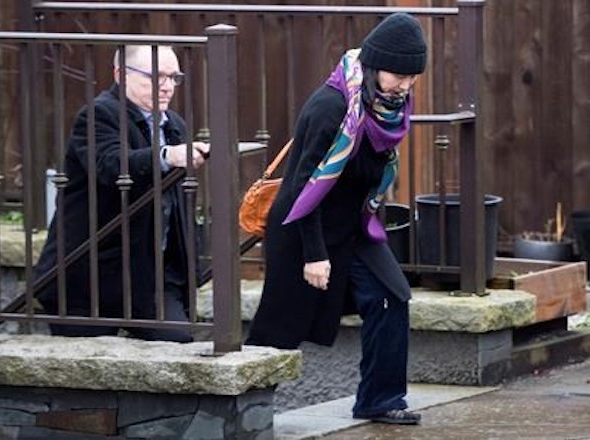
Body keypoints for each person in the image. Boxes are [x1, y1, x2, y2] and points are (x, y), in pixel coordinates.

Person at [246, 13, 427, 425]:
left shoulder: (385, 108)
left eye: (412, 77)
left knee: (392, 297)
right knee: (279, 330)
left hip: (353, 227)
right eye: (398, 75)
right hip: (302, 230)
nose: (405, 85)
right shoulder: (331, 107)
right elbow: (301, 189)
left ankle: (380, 399)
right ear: (374, 64)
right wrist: (314, 254)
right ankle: (240, 410)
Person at [35, 45, 209, 342]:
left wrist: (189, 267)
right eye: (155, 77)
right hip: (91, 275)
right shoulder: (98, 115)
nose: (167, 86)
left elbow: (176, 204)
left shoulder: (174, 124)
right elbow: (111, 165)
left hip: (152, 277)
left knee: (177, 343)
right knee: (83, 368)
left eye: (173, 77)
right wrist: (167, 155)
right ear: (121, 75)